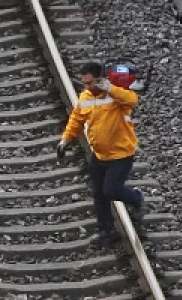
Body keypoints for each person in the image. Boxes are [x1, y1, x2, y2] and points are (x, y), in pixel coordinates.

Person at [58, 62, 144, 246]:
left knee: (111, 190)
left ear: (101, 79)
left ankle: (136, 197)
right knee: (99, 195)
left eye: (90, 83)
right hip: (100, 155)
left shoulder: (116, 95)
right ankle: (105, 230)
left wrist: (111, 88)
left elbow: (132, 100)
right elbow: (77, 119)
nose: (87, 87)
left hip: (121, 155)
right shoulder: (86, 97)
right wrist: (66, 139)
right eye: (85, 83)